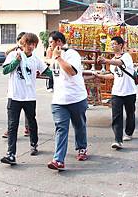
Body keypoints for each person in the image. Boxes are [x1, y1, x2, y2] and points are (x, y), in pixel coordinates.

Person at [0, 33, 52, 165]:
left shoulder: (36, 59)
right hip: (14, 96)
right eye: (28, 44)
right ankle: (11, 154)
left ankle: (34, 144)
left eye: (33, 44)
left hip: (29, 97)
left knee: (31, 122)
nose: (30, 47)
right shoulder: (14, 55)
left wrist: (62, 75)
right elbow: (5, 71)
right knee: (13, 125)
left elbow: (48, 72)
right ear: (23, 44)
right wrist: (16, 61)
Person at [47, 31, 88, 171]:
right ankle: (58, 160)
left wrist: (58, 58)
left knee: (79, 125)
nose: (49, 45)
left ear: (59, 42)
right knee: (61, 128)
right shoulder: (53, 56)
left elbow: (71, 72)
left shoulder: (72, 54)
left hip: (76, 98)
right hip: (59, 100)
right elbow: (52, 72)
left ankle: (82, 148)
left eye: (51, 42)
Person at [95, 37, 136, 150]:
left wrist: (106, 61)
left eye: (115, 44)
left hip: (129, 91)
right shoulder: (112, 60)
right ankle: (118, 140)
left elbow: (119, 63)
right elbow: (113, 75)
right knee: (116, 116)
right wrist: (101, 76)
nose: (113, 46)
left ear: (121, 45)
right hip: (117, 92)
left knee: (130, 113)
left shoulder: (126, 56)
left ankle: (129, 132)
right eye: (111, 44)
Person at [2, 32, 31, 139]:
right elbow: (5, 65)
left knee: (29, 112)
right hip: (15, 90)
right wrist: (17, 47)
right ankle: (10, 130)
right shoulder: (14, 53)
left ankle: (29, 128)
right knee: (12, 114)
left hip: (27, 89)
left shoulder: (29, 53)